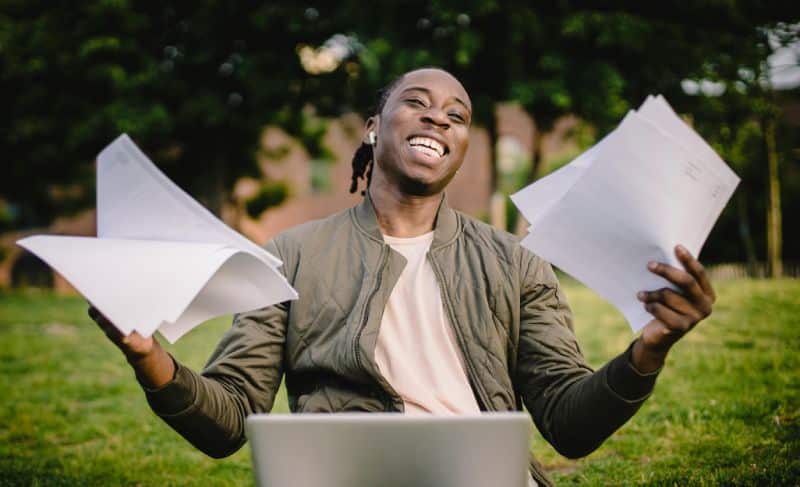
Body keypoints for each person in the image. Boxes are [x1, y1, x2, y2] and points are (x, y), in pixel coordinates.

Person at [90, 68, 716, 486]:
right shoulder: (292, 253)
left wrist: (646, 352)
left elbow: (569, 424)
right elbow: (227, 422)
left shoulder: (514, 262)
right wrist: (148, 356)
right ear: (374, 126)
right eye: (416, 103)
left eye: (457, 115)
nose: (439, 118)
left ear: (463, 144)